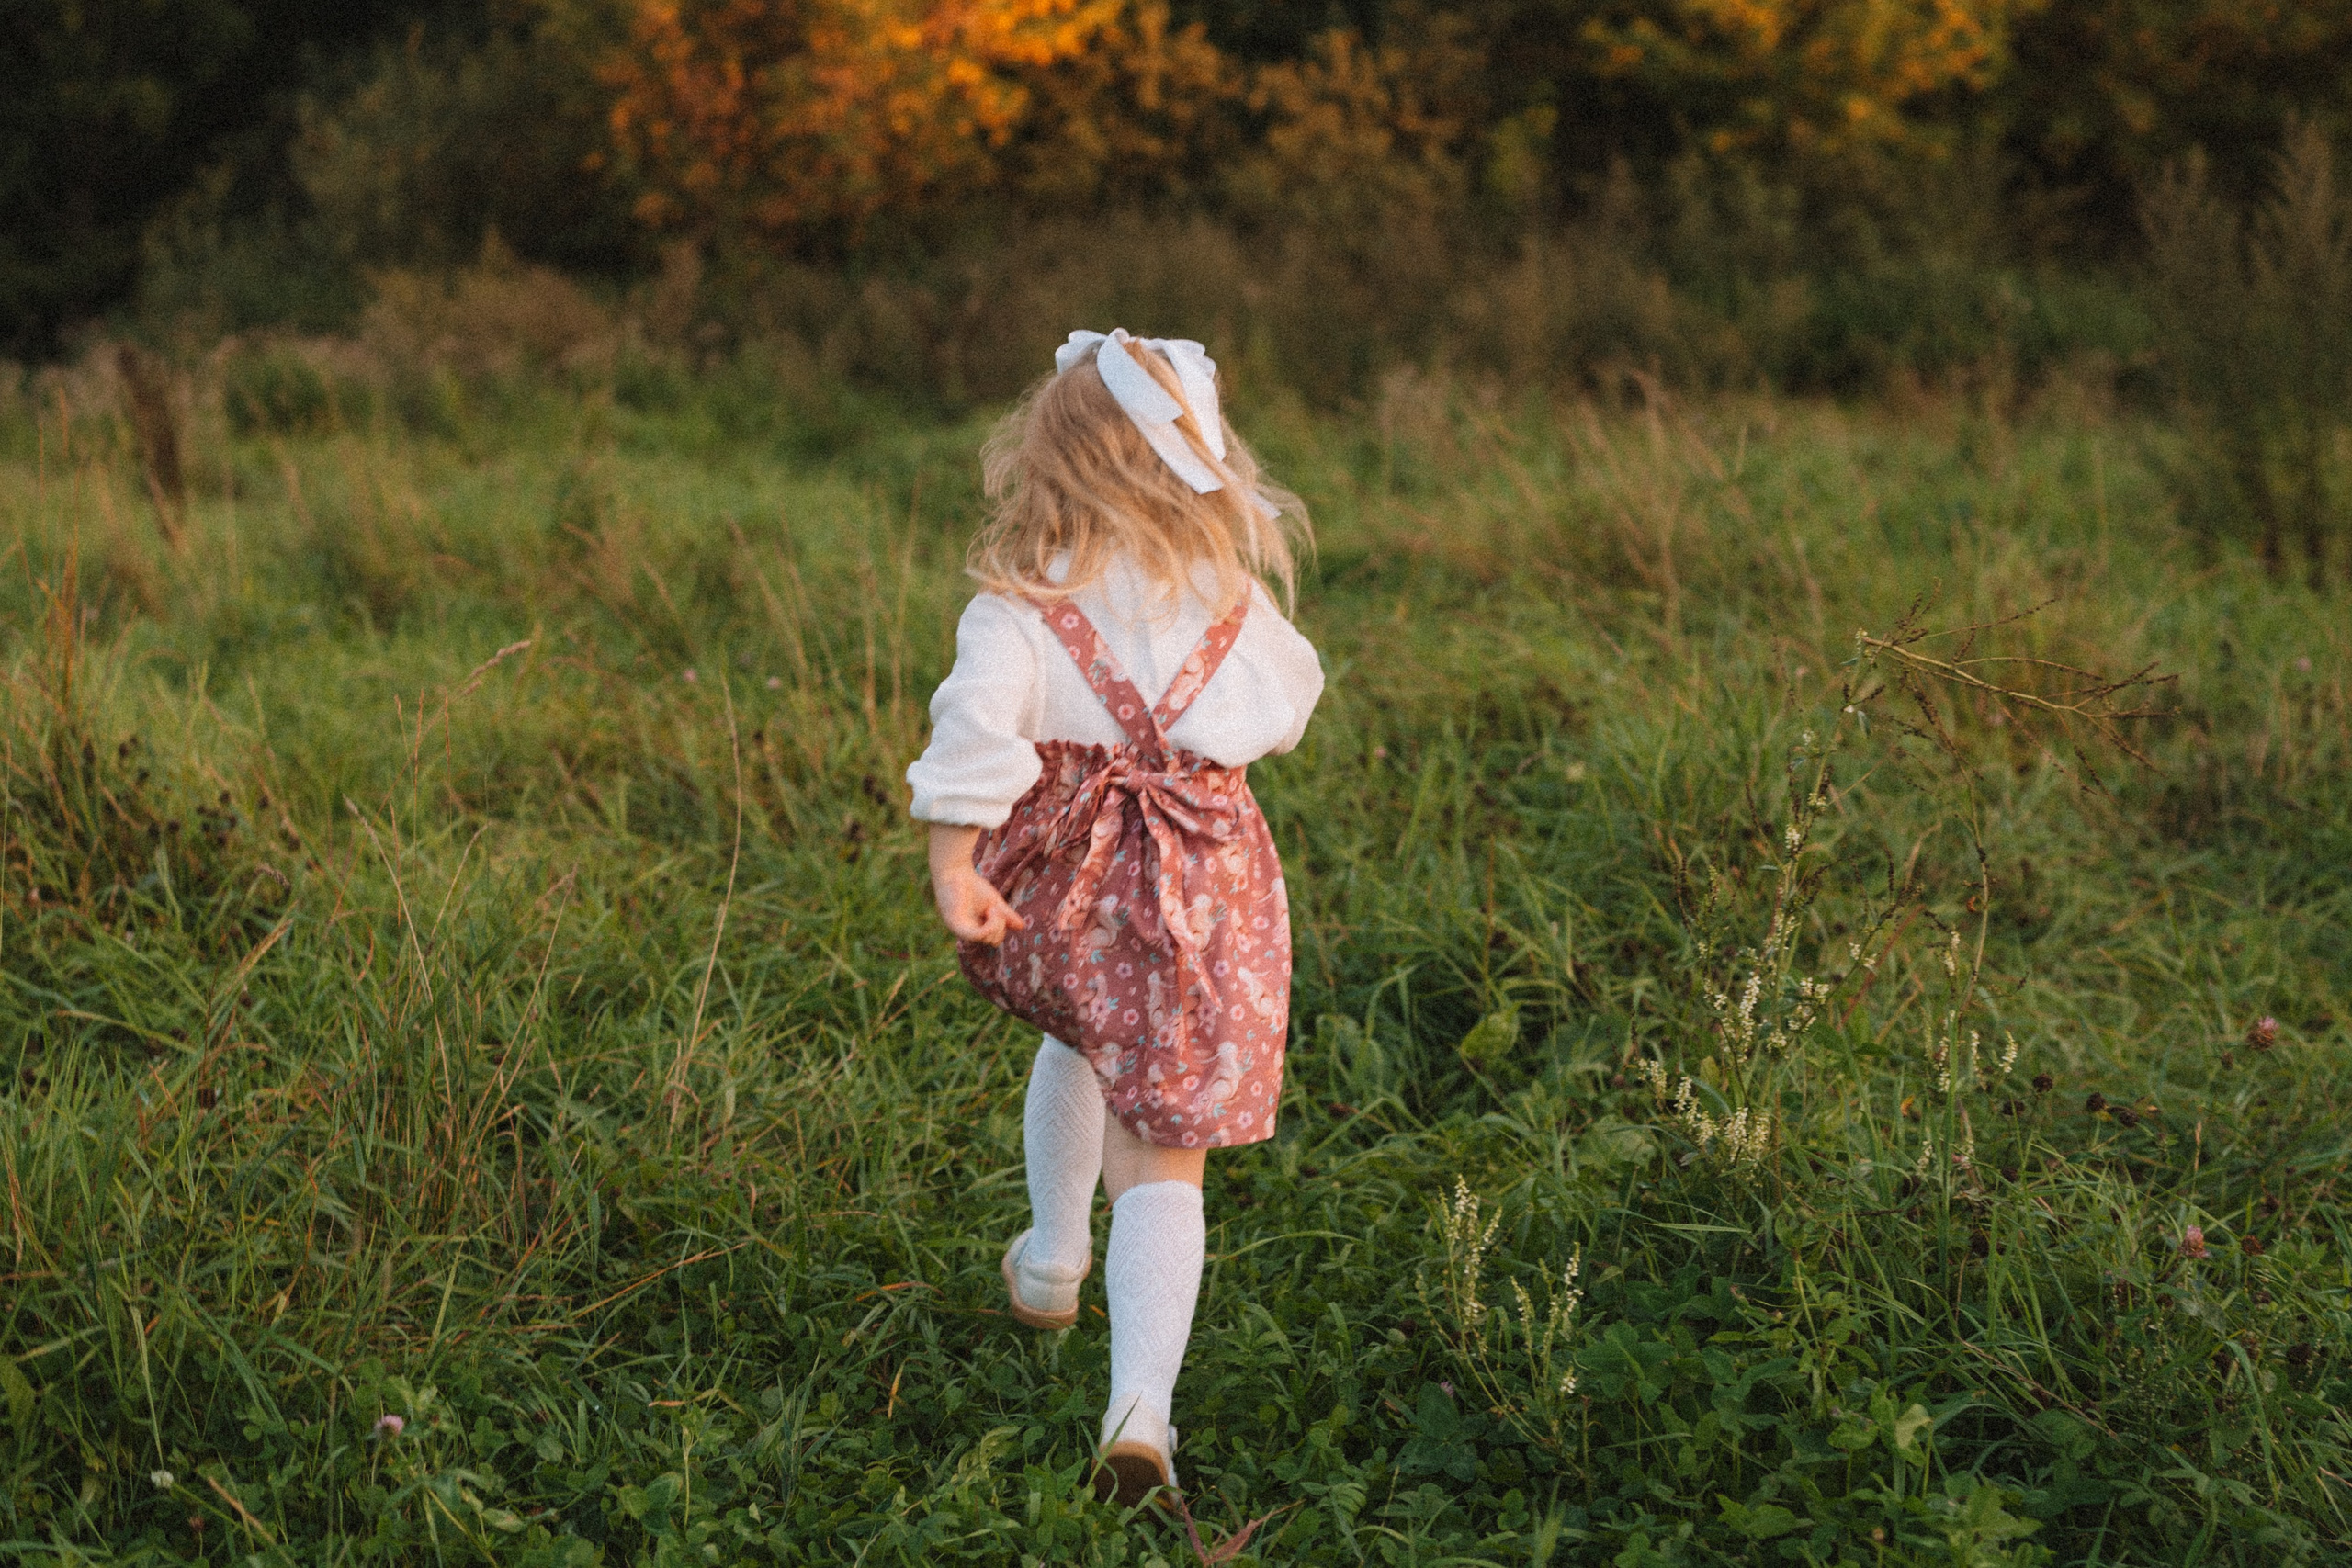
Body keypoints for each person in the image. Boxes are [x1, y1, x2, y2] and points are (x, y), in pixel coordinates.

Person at [906, 329, 1324, 1507]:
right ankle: (1141, 1413)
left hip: (1065, 884)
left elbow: (973, 732)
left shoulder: (1024, 609)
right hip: (1200, 891)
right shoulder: (1234, 608)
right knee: (1165, 1152)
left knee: (1085, 1035)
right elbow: (1290, 702)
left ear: (1051, 468)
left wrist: (953, 863)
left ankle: (1049, 1260)